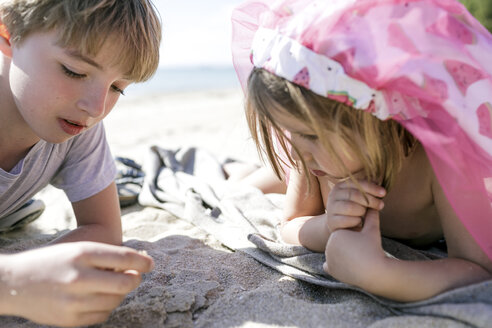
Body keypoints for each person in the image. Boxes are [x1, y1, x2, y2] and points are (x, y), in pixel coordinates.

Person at [231, 0, 492, 302]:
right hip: (319, 169)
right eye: (290, 134)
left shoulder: (441, 159)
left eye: (309, 135)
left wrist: (380, 275)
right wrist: (327, 225)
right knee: (253, 184)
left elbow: (479, 267)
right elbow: (290, 224)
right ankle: (240, 174)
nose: (298, 152)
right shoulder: (308, 157)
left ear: (372, 119)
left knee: (275, 177)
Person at [0, 0, 161, 326]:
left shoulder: (78, 126)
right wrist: (15, 281)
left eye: (117, 88)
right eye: (74, 71)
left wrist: (39, 265)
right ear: (8, 33)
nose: (95, 107)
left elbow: (104, 229)